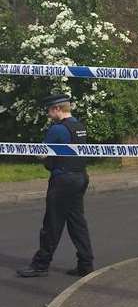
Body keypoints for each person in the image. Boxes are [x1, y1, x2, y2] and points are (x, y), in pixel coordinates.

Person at [17, 94, 94, 278]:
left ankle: (41, 264)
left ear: (57, 109)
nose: (48, 113)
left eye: (49, 109)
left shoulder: (58, 129)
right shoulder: (79, 126)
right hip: (80, 177)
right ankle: (85, 263)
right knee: (77, 223)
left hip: (62, 180)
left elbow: (42, 154)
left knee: (51, 223)